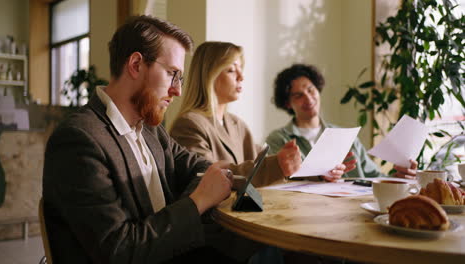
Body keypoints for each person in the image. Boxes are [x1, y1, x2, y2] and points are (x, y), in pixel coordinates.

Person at [43, 16, 236, 264]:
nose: (177, 90)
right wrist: (197, 201)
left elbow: (199, 169)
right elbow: (119, 250)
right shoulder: (78, 140)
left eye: (180, 78)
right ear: (135, 64)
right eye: (171, 74)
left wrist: (199, 192)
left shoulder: (150, 131)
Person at [170, 42, 352, 187]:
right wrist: (278, 165)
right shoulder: (189, 124)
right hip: (216, 226)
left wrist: (317, 173)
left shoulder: (237, 124)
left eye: (241, 68)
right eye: (232, 70)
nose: (241, 76)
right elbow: (208, 176)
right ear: (209, 75)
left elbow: (265, 165)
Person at [266, 64, 418, 181]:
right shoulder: (279, 140)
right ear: (287, 103)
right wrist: (319, 177)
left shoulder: (347, 138)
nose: (308, 98)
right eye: (298, 95)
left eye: (311, 90)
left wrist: (400, 178)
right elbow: (277, 182)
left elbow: (375, 179)